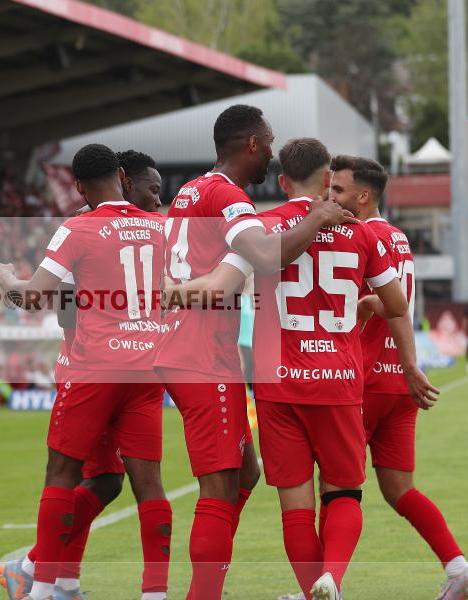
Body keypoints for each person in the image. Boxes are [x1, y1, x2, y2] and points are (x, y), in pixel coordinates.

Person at [168, 138, 407, 600]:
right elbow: (397, 305)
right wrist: (364, 304)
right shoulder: (361, 231)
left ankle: (313, 588)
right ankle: (331, 579)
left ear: (281, 181)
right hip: (338, 379)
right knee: (343, 492)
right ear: (326, 181)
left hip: (278, 383)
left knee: (294, 505)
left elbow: (219, 286)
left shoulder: (264, 229)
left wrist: (169, 291)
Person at [153, 107, 356, 600]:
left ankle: (211, 576)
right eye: (267, 142)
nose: (271, 150)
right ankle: (203, 594)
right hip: (204, 354)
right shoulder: (230, 197)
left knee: (247, 470)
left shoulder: (192, 190)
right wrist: (320, 216)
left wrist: (177, 292)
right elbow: (265, 256)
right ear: (250, 144)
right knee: (219, 486)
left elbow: (224, 275)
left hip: (184, 347)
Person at [0, 144, 171, 600]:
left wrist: (4, 282)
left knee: (64, 475)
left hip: (91, 370)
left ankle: (39, 585)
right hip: (147, 371)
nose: (157, 197)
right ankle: (146, 592)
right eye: (154, 190)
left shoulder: (77, 229)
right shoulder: (162, 229)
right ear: (125, 179)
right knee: (137, 484)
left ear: (79, 186)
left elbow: (43, 302)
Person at [336, 154, 468, 600]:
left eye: (339, 190)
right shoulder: (397, 237)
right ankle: (458, 568)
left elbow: (380, 303)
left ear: (364, 195)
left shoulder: (360, 236)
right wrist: (409, 365)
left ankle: (323, 587)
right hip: (398, 380)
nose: (330, 196)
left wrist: (358, 308)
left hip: (363, 381)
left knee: (338, 488)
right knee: (399, 488)